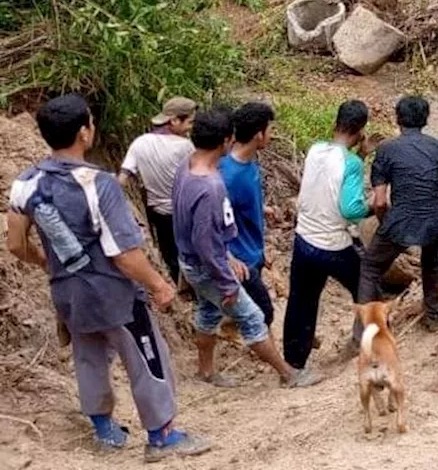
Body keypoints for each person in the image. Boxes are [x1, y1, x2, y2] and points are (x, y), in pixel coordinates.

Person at [6, 95, 210, 461]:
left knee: (88, 357)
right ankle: (162, 435)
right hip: (114, 293)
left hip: (67, 292)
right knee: (148, 357)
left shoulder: (26, 183)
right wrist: (160, 285)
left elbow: (16, 245)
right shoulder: (98, 184)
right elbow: (124, 254)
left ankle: (104, 430)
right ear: (84, 132)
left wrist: (48, 265)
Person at [172, 109, 317, 389]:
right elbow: (206, 242)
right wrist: (226, 277)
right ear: (226, 140)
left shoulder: (187, 167)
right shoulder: (212, 187)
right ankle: (289, 374)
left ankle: (206, 372)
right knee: (253, 317)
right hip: (209, 267)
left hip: (192, 261)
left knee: (208, 313)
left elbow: (200, 227)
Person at [283, 100, 373, 370]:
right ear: (361, 130)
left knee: (301, 300)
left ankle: (294, 363)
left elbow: (330, 183)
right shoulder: (352, 163)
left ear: (336, 123)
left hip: (303, 239)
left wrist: (360, 155)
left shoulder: (315, 150)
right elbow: (351, 208)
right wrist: (375, 206)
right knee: (366, 287)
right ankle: (368, 346)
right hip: (332, 244)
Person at [358, 96, 438, 328]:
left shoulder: (387, 150)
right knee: (431, 263)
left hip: (401, 221)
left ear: (398, 119)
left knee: (370, 267)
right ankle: (433, 315)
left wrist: (387, 227)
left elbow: (380, 202)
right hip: (435, 221)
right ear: (425, 119)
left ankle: (365, 328)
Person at [119, 97, 197, 284]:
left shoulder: (140, 142)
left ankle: (178, 290)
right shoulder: (185, 147)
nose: (190, 128)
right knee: (190, 255)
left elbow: (123, 177)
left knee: (169, 255)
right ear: (174, 121)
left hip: (157, 213)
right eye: (189, 122)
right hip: (183, 212)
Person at [218, 102, 277, 330]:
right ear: (258, 134)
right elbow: (214, 219)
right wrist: (228, 257)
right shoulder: (228, 176)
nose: (271, 135)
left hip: (254, 249)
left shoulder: (249, 162)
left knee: (254, 305)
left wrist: (262, 208)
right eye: (269, 130)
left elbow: (237, 205)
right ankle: (241, 335)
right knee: (265, 314)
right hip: (241, 258)